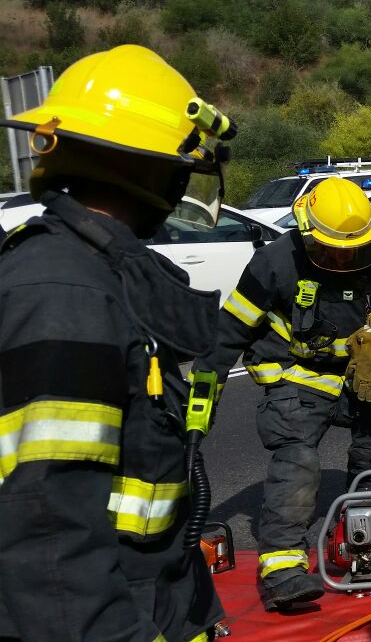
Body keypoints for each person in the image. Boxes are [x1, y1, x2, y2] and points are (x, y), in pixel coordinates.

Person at [0, 45, 228, 641]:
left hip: (155, 597)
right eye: (181, 172)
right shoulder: (63, 293)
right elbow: (47, 535)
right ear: (151, 171)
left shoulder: (96, 273)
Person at [192, 176, 371, 611]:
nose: (344, 257)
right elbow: (229, 332)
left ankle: (367, 540)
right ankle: (282, 570)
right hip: (296, 379)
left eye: (353, 250)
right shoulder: (275, 263)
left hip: (360, 380)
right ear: (307, 234)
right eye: (333, 249)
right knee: (297, 461)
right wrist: (203, 392)